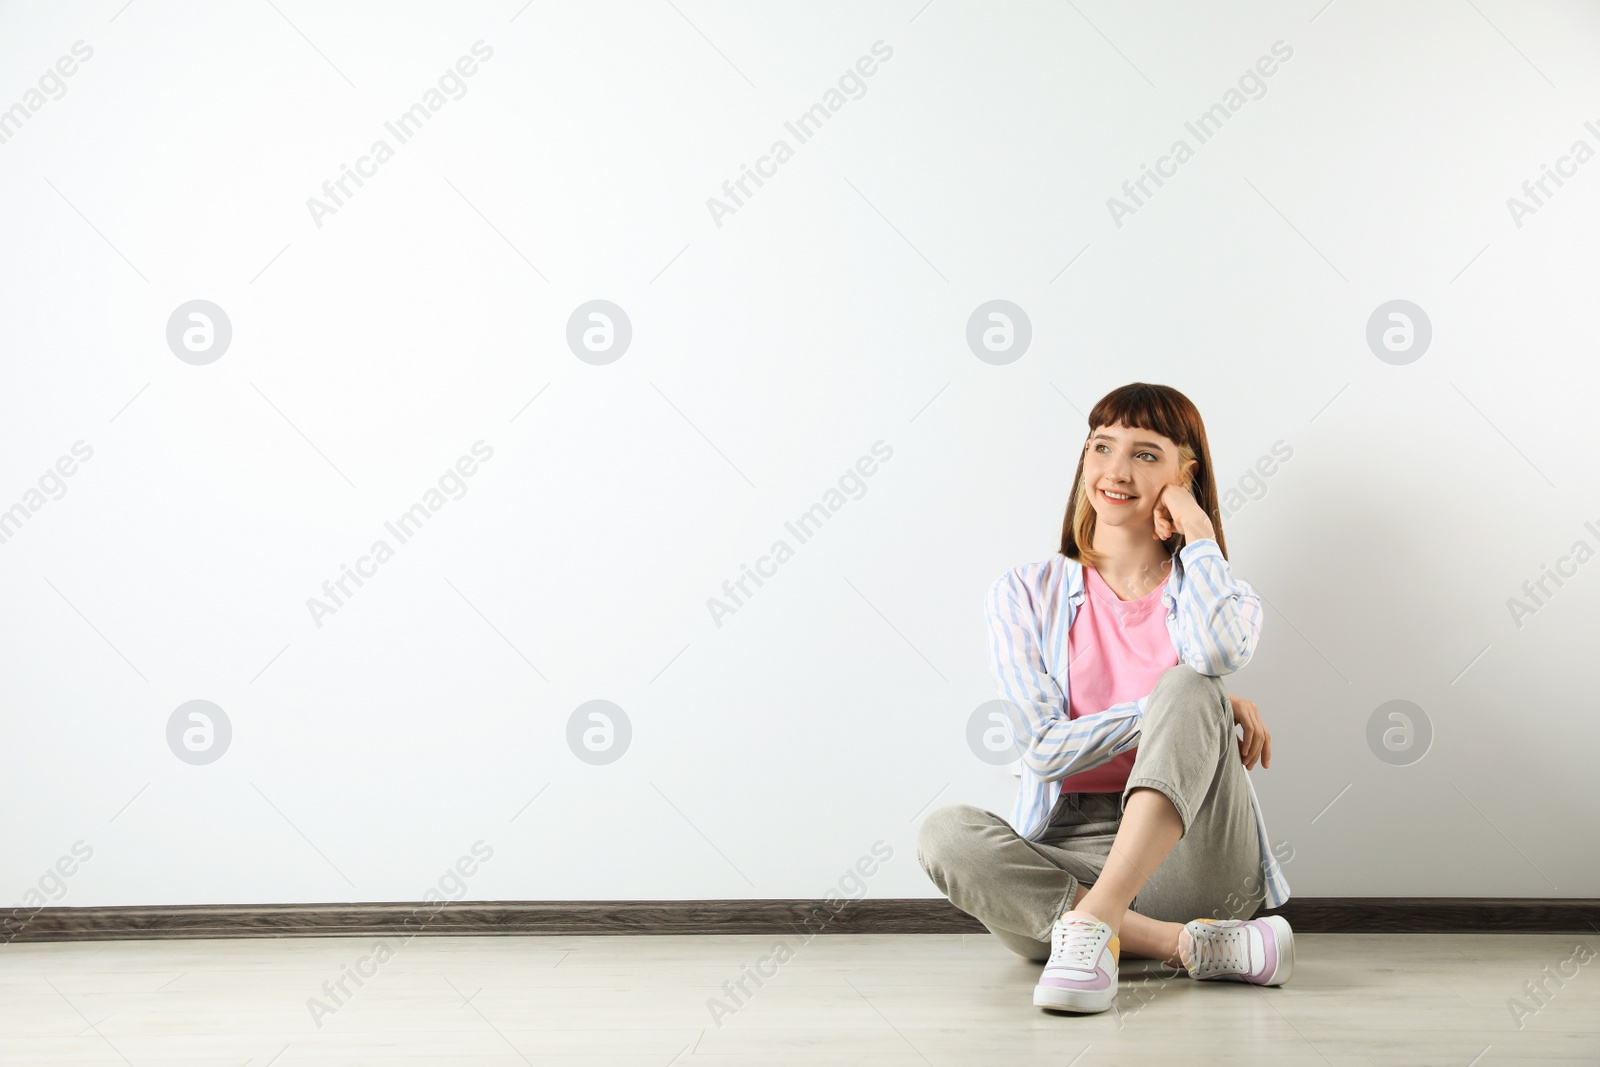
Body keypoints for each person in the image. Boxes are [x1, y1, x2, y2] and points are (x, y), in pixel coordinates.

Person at [917, 382, 1294, 1014]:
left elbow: (1219, 658)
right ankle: (1178, 945)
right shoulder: (1023, 593)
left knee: (1190, 683)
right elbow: (1041, 750)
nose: (1115, 471)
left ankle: (1089, 927)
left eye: (1146, 454)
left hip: (1192, 850)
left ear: (1185, 473)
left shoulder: (1225, 594)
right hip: (1072, 846)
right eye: (1102, 447)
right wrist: (1162, 712)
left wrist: (1197, 532)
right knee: (945, 834)